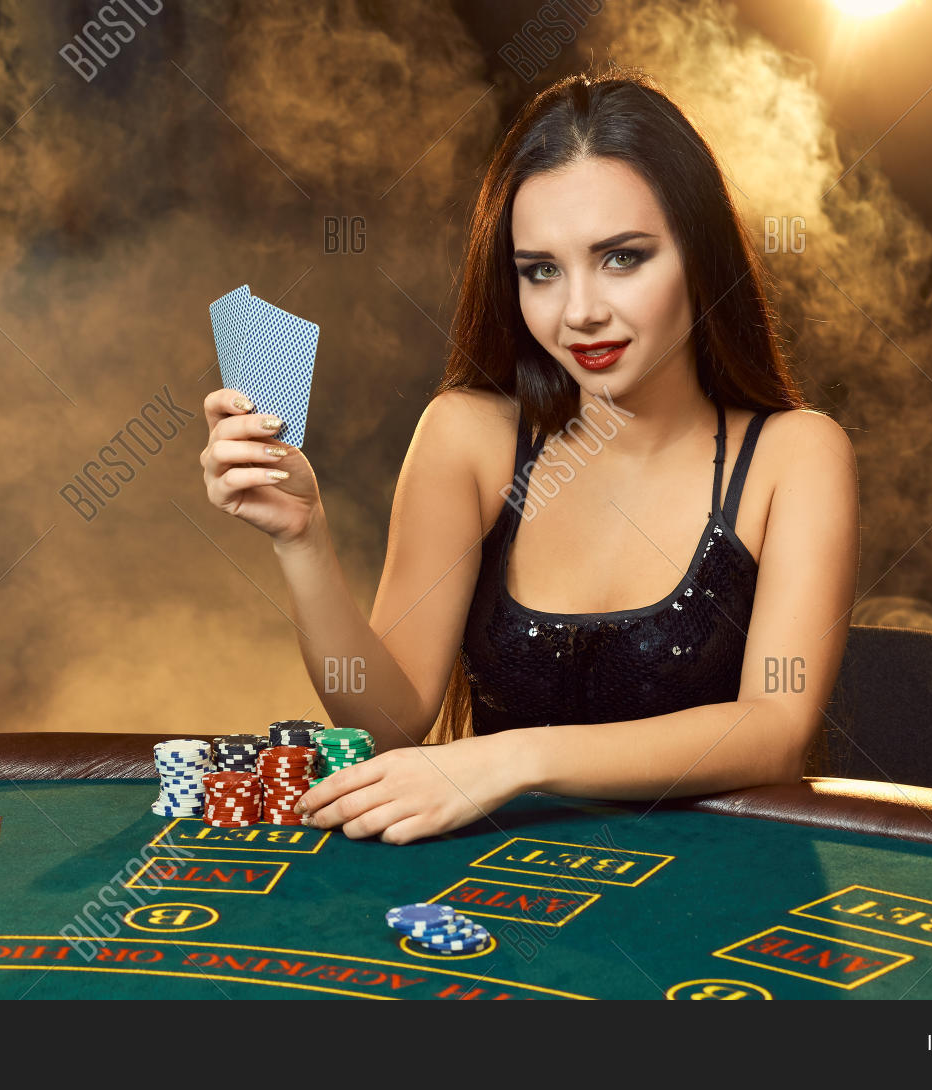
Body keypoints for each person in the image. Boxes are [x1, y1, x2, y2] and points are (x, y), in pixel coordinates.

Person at [198, 63, 858, 844]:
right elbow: (391, 720)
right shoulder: (468, 437)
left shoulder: (795, 456)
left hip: (718, 906)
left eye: (623, 258)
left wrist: (510, 761)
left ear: (700, 256)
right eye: (542, 272)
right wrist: (302, 538)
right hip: (503, 902)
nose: (580, 311)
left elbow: (774, 731)